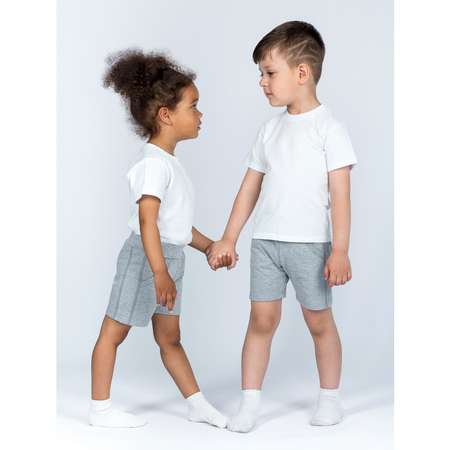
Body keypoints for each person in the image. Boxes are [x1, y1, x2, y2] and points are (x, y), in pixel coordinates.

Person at [207, 21, 357, 432]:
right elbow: (248, 189)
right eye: (261, 73)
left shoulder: (330, 129)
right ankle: (249, 404)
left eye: (270, 73)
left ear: (302, 73)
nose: (262, 82)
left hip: (310, 245)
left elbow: (341, 195)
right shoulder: (269, 130)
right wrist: (229, 237)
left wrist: (340, 249)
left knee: (319, 322)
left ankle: (330, 399)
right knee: (261, 321)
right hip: (266, 243)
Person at [89, 49, 230, 429]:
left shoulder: (168, 163)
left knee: (170, 336)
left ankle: (197, 404)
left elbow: (174, 225)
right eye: (193, 106)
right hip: (146, 259)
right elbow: (148, 222)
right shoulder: (152, 164)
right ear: (166, 115)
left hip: (168, 258)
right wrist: (159, 272)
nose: (200, 115)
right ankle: (100, 409)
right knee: (113, 331)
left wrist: (209, 246)